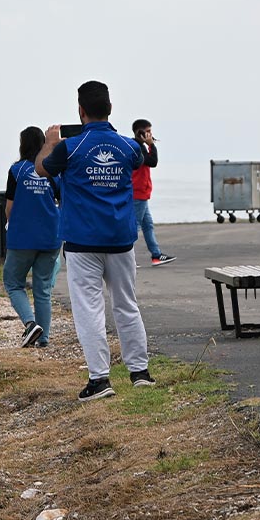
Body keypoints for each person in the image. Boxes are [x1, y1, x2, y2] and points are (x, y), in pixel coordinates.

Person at [36, 80, 154, 401]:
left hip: (82, 240)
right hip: (120, 238)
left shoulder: (69, 147)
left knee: (89, 308)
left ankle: (100, 379)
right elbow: (140, 159)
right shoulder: (128, 147)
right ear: (111, 109)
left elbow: (42, 170)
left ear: (80, 110)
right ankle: (139, 371)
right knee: (126, 304)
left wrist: (49, 142)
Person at [5, 126, 61, 348]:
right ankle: (44, 338)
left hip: (23, 238)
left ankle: (30, 325)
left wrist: (14, 222)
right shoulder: (52, 171)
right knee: (43, 288)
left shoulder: (17, 170)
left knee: (13, 282)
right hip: (50, 236)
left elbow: (9, 207)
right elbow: (60, 200)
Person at [130, 119, 176, 267]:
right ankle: (127, 258)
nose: (151, 134)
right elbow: (152, 162)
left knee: (147, 225)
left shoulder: (138, 146)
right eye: (148, 131)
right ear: (140, 133)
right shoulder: (138, 147)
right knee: (134, 227)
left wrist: (149, 144)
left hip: (141, 192)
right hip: (138, 193)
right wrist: (151, 145)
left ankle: (156, 255)